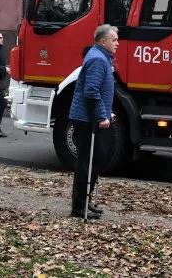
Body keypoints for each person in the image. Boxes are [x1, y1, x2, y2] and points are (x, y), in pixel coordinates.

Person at [69, 24, 118, 220]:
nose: (117, 43)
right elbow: (91, 92)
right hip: (86, 119)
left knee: (97, 159)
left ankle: (86, 201)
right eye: (114, 40)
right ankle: (79, 206)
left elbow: (101, 92)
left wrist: (107, 112)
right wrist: (101, 116)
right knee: (86, 163)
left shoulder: (103, 57)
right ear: (102, 41)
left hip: (92, 116)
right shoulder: (98, 59)